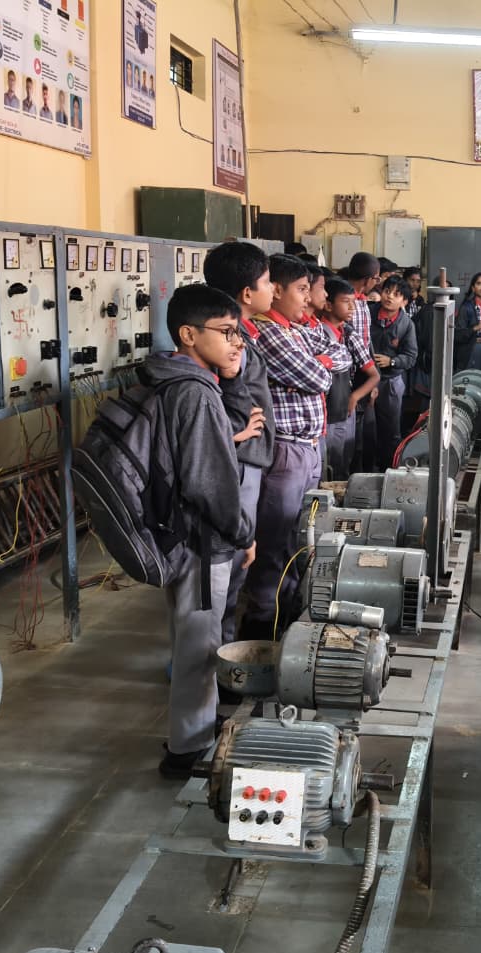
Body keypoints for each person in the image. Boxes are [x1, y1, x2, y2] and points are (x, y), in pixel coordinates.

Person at [143, 284, 256, 778]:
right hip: (202, 540)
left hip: (173, 532)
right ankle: (187, 749)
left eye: (238, 332)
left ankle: (192, 731)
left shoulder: (165, 376)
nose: (237, 342)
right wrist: (244, 533)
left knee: (186, 633)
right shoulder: (197, 394)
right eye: (226, 332)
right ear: (189, 334)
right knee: (200, 647)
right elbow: (212, 483)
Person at [246, 256, 341, 633]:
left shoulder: (295, 328)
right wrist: (321, 364)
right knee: (275, 540)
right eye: (301, 289)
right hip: (286, 450)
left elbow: (340, 352)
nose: (307, 298)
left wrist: (321, 361)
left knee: (300, 534)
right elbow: (319, 378)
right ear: (276, 290)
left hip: (308, 447)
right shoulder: (268, 332)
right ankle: (261, 624)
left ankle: (286, 612)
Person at [201, 242, 277, 648]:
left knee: (232, 566)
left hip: (244, 457)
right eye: (268, 282)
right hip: (237, 461)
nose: (273, 289)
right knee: (228, 565)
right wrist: (235, 432)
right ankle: (216, 659)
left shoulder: (238, 332)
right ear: (247, 293)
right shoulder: (228, 339)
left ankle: (218, 650)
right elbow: (218, 397)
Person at [320, 277, 379, 479]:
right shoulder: (316, 332)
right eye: (346, 302)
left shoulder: (348, 334)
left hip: (343, 407)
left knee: (341, 462)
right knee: (327, 467)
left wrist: (354, 397)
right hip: (327, 410)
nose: (352, 307)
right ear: (328, 305)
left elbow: (374, 375)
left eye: (353, 302)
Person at [369, 276, 419, 470]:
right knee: (365, 429)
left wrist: (392, 361)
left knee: (390, 430)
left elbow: (411, 356)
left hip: (390, 381)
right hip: (365, 380)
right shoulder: (368, 313)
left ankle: (387, 470)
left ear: (404, 301)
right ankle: (363, 469)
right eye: (387, 291)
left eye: (396, 294)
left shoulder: (407, 324)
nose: (389, 297)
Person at [339, 252, 381, 471]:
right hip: (348, 378)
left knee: (363, 438)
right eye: (377, 278)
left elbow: (366, 341)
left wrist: (371, 381)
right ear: (368, 279)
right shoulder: (347, 303)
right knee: (348, 443)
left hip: (365, 374)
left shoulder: (363, 302)